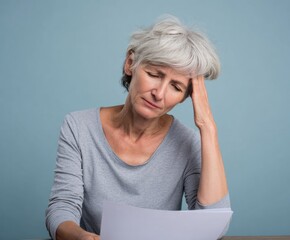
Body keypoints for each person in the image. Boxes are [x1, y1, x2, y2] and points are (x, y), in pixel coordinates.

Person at [45, 15, 231, 240]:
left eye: (176, 87)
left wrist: (207, 127)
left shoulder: (188, 143)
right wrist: (81, 236)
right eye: (154, 74)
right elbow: (61, 208)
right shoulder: (78, 127)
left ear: (185, 97)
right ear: (130, 63)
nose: (159, 94)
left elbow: (212, 226)